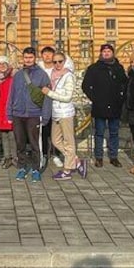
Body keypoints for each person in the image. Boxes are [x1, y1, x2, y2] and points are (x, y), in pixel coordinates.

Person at [6, 46, 52, 183]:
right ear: (23, 58)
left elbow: (47, 96)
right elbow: (11, 94)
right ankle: (22, 167)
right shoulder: (18, 75)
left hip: (34, 114)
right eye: (26, 58)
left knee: (34, 144)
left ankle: (36, 169)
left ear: (35, 58)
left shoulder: (42, 75)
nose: (28, 60)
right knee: (20, 143)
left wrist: (45, 116)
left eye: (30, 57)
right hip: (18, 113)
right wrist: (9, 112)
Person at [81, 43, 127, 168]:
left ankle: (114, 157)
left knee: (114, 133)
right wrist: (95, 98)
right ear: (101, 53)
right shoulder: (94, 68)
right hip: (100, 106)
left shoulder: (118, 68)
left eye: (109, 51)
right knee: (99, 133)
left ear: (112, 53)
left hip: (115, 105)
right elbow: (85, 86)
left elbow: (125, 84)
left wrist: (121, 98)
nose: (106, 53)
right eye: (104, 51)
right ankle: (99, 157)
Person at [44, 52, 87, 180]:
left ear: (65, 62)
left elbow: (67, 97)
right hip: (56, 112)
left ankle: (67, 170)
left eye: (60, 61)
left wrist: (49, 93)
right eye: (55, 62)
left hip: (65, 113)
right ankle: (76, 160)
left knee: (69, 141)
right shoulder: (53, 75)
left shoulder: (68, 76)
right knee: (55, 140)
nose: (57, 64)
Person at [39, 46, 63, 168]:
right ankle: (43, 154)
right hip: (42, 105)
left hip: (56, 105)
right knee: (43, 131)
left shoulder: (58, 70)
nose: (47, 56)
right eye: (45, 54)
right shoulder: (38, 69)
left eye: (50, 54)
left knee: (57, 132)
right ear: (42, 56)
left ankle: (55, 155)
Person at [0, 55, 17, 169]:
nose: (2, 66)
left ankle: (15, 157)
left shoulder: (13, 77)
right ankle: (7, 157)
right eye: (0, 64)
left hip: (10, 108)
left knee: (12, 135)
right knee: (4, 135)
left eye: (4, 64)